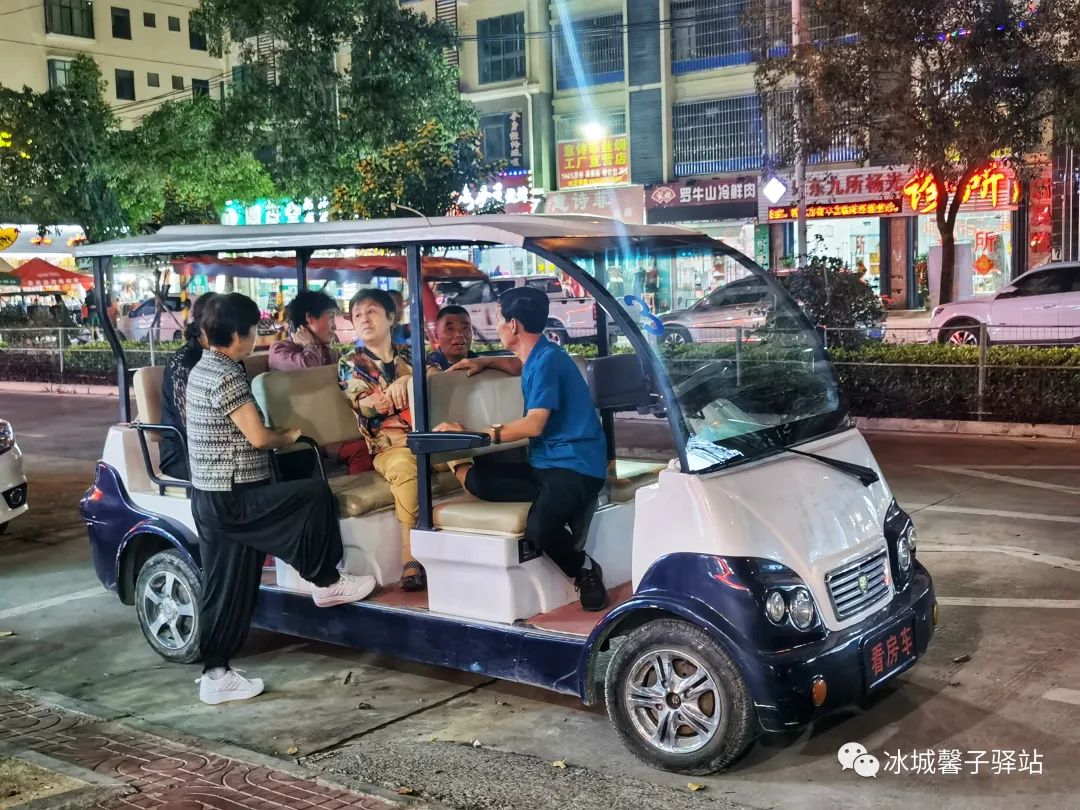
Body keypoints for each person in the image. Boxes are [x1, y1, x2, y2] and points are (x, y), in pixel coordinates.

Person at [187, 293, 375, 706]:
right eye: (254, 329)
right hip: (232, 494)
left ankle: (216, 672)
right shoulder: (227, 374)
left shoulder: (205, 367)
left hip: (212, 494)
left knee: (227, 584)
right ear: (237, 334)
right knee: (311, 494)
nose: (258, 336)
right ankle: (326, 581)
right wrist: (287, 436)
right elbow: (258, 437)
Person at [434, 287, 609, 611]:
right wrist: (483, 361)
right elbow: (518, 366)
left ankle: (584, 569)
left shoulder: (548, 362)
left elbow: (534, 425)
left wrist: (475, 435)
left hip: (576, 466)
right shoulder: (540, 354)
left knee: (539, 527)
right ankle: (565, 506)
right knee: (479, 481)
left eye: (499, 318)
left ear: (513, 325)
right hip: (545, 466)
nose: (497, 325)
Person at [339, 288, 427, 591]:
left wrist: (408, 380)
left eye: (372, 311)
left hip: (428, 437)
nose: (364, 319)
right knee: (405, 468)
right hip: (389, 447)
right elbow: (373, 404)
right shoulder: (351, 363)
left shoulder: (412, 352)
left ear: (391, 317)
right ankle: (410, 558)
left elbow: (438, 376)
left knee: (463, 450)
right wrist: (413, 384)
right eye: (358, 314)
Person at [159, 292, 217, 480]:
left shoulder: (227, 356)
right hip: (184, 453)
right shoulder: (184, 362)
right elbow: (192, 427)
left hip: (222, 447)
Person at [269, 290, 340, 371]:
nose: (335, 327)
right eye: (331, 317)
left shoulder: (330, 345)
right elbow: (310, 373)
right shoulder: (279, 350)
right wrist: (310, 345)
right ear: (309, 317)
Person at [426, 305, 479, 371]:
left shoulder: (479, 364)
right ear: (436, 335)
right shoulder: (427, 369)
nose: (459, 334)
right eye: (450, 329)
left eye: (465, 328)